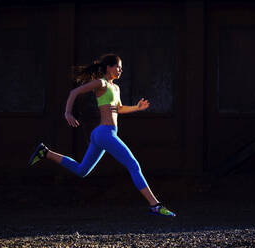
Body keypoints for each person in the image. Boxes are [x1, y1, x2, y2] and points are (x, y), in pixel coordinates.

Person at [28, 54, 176, 217]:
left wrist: (137, 108)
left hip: (102, 134)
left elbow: (118, 109)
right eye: (117, 66)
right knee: (133, 165)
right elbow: (74, 92)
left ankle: (45, 152)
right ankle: (155, 205)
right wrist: (67, 113)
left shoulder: (116, 88)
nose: (120, 70)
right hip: (105, 133)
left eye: (121, 67)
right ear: (108, 68)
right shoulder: (101, 83)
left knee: (82, 170)